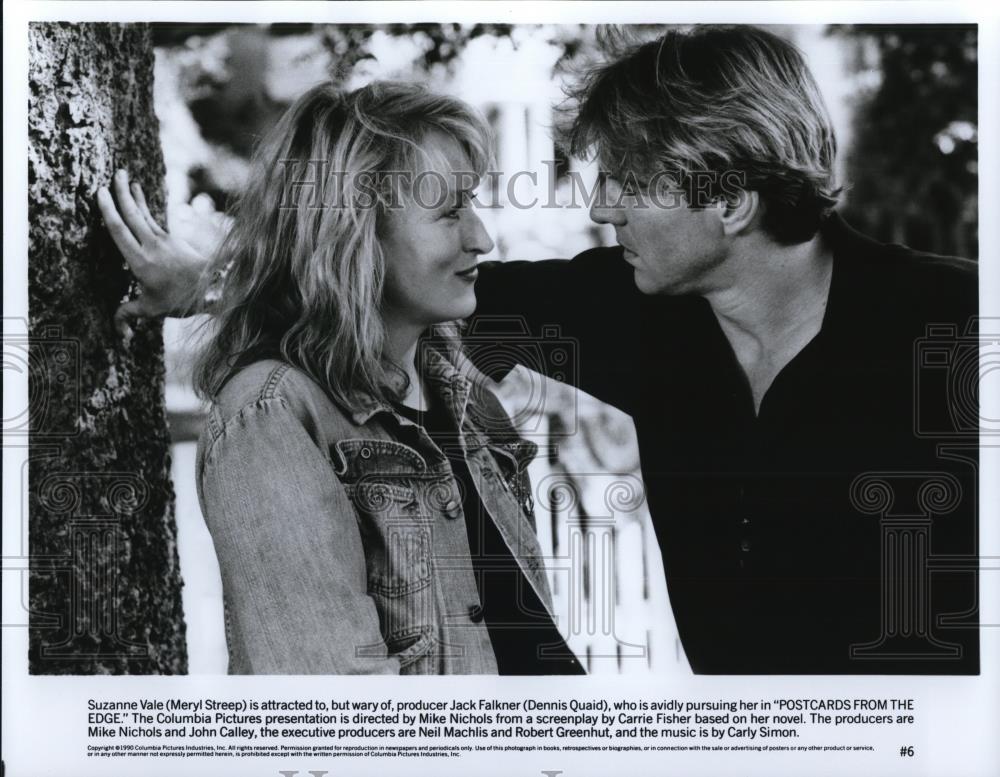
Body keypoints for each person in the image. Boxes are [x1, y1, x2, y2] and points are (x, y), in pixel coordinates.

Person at [104, 25, 979, 675]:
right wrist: (204, 285)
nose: (602, 208)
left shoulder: (954, 325)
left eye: (629, 181)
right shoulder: (632, 308)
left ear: (730, 201)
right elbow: (385, 284)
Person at [99, 81, 584, 675]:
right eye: (449, 212)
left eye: (473, 204)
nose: (481, 237)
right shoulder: (273, 413)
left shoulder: (459, 383)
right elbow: (340, 710)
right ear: (354, 234)